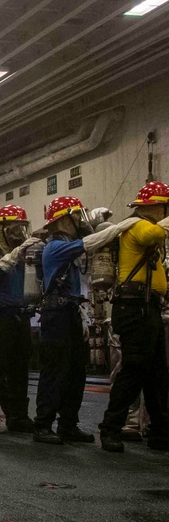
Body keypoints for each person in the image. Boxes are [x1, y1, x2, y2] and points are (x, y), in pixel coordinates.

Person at [32, 196, 138, 444]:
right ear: (63, 220)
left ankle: (68, 424)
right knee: (54, 370)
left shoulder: (69, 246)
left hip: (70, 312)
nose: (80, 220)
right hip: (56, 313)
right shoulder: (55, 247)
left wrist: (84, 318)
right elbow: (89, 243)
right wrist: (120, 227)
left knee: (76, 372)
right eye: (76, 216)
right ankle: (43, 424)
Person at [98, 182, 169, 453]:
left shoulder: (141, 225)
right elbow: (153, 236)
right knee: (134, 369)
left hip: (145, 306)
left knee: (156, 374)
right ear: (155, 206)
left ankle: (161, 431)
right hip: (134, 308)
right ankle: (111, 428)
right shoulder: (138, 225)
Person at [0, 205, 40, 435]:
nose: (19, 233)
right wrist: (16, 255)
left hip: (19, 317)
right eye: (14, 228)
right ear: (1, 230)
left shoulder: (25, 256)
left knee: (19, 369)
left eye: (21, 228)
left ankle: (18, 416)